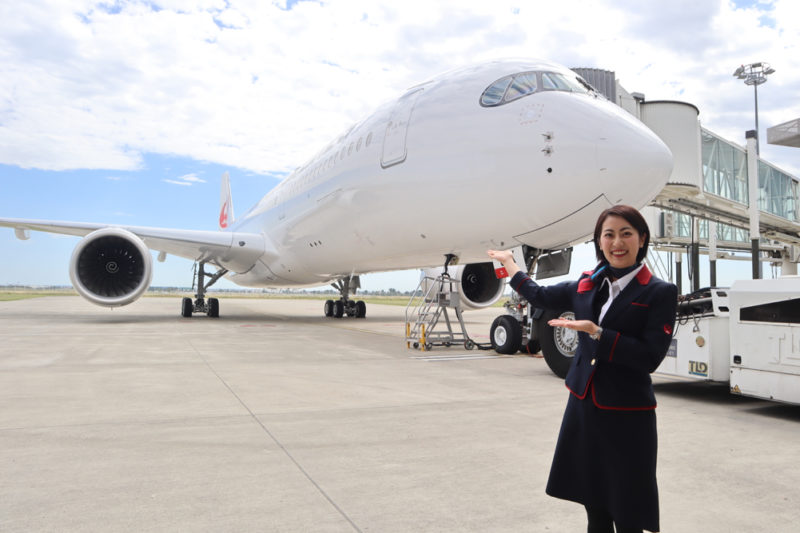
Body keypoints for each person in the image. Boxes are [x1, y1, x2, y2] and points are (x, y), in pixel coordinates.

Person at [488, 205, 677, 533]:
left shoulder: (658, 292)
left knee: (628, 512)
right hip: (585, 410)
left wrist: (598, 334)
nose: (617, 242)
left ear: (642, 239)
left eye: (626, 233)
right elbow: (540, 295)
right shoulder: (587, 284)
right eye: (609, 235)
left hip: (627, 416)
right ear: (599, 242)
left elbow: (650, 357)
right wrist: (510, 265)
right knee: (595, 508)